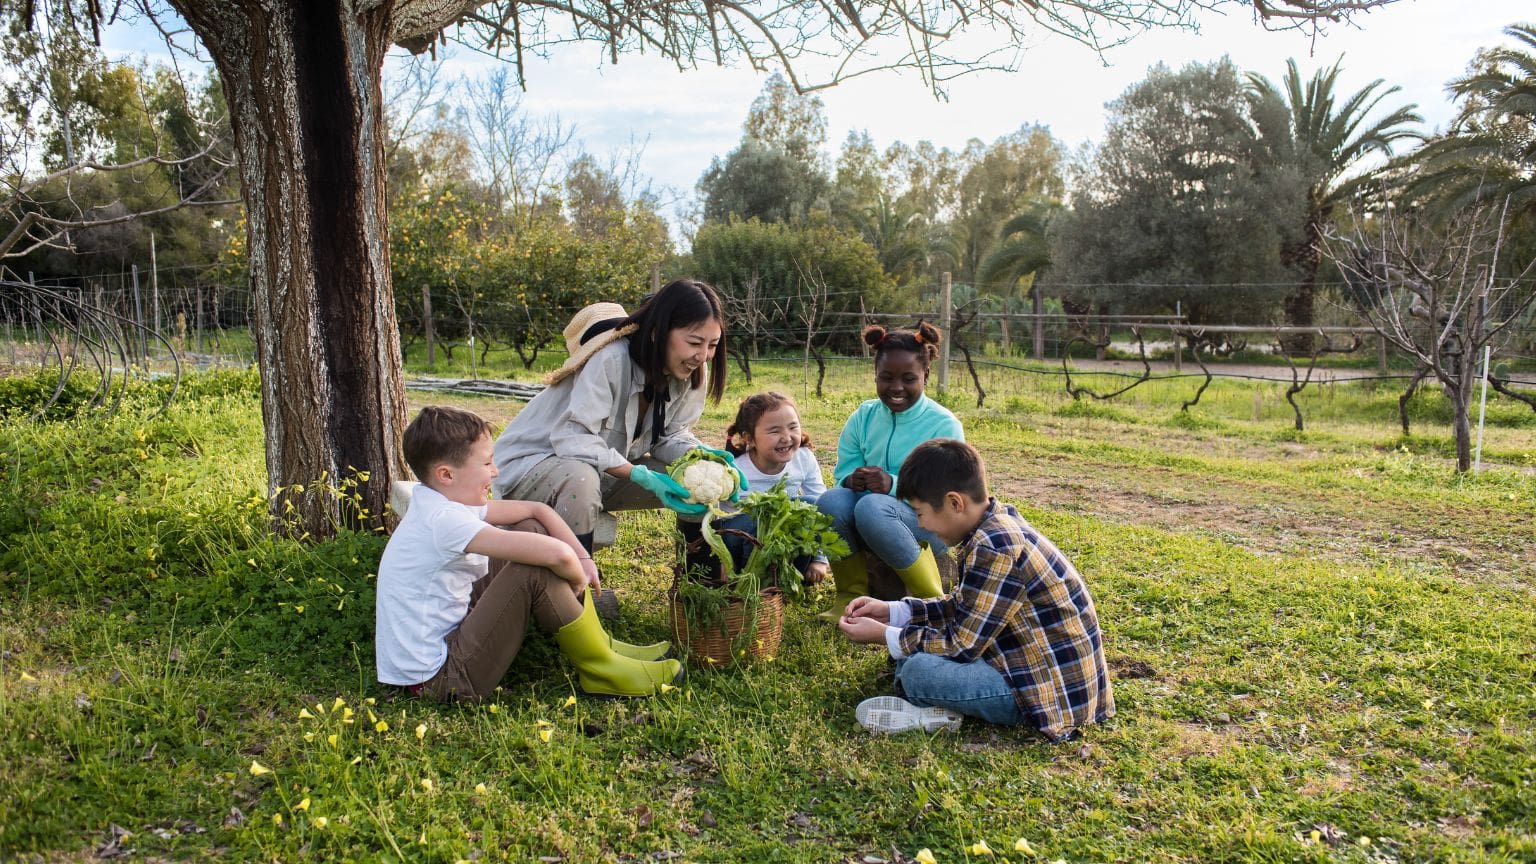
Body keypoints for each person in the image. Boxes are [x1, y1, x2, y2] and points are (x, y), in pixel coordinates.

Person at [376, 406, 682, 701]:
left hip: (450, 642)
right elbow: (557, 556)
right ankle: (601, 668)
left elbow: (536, 510)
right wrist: (578, 575)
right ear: (446, 474)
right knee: (532, 567)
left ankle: (603, 646)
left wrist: (584, 559)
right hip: (441, 679)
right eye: (486, 464)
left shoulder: (436, 500)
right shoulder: (444, 520)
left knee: (530, 527)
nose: (494, 472)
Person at [837, 439, 1114, 740]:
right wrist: (895, 611)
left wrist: (883, 635)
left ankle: (927, 710)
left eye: (919, 514)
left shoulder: (995, 546)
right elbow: (964, 605)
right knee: (911, 654)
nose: (923, 525)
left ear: (955, 503)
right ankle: (932, 700)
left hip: (1044, 693)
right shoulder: (993, 527)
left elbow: (961, 644)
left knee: (917, 672)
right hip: (1021, 659)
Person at [491, 280, 746, 586]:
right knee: (581, 478)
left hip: (598, 467)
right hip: (532, 467)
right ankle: (574, 600)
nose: (703, 355)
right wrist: (637, 474)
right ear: (657, 332)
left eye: (713, 344)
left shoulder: (690, 373)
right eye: (694, 342)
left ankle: (700, 588)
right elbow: (573, 438)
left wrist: (702, 457)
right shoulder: (611, 359)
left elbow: (671, 434)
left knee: (694, 476)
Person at [816, 322, 963, 618]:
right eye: (886, 377)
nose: (896, 388)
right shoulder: (864, 416)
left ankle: (929, 599)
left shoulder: (943, 425)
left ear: (926, 376)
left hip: (928, 526)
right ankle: (850, 595)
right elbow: (843, 470)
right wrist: (851, 479)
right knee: (830, 501)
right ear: (875, 376)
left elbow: (945, 496)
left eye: (909, 378)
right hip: (875, 514)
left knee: (873, 506)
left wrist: (893, 484)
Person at [715, 391, 830, 583]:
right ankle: (749, 581)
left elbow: (823, 509)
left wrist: (819, 559)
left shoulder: (804, 458)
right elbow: (714, 519)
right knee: (759, 520)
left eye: (793, 427)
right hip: (738, 539)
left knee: (814, 504)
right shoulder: (734, 469)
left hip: (780, 540)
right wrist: (720, 563)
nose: (786, 437)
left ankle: (786, 580)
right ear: (749, 439)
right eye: (775, 431)